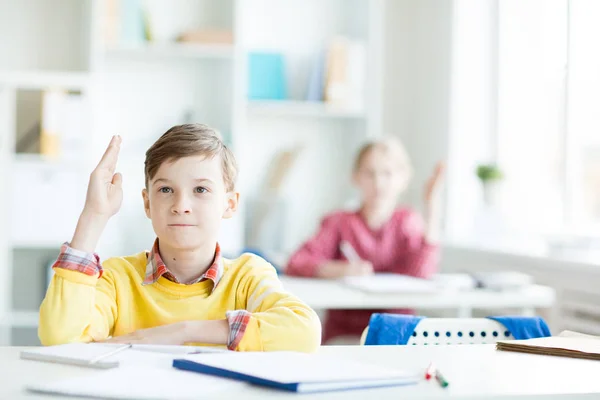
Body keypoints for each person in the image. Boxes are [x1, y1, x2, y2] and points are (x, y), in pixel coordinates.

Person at [39, 124, 321, 352]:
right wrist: (93, 216)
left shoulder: (248, 277)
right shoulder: (117, 278)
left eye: (200, 190)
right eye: (165, 190)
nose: (181, 205)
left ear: (230, 204)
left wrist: (183, 331)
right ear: (147, 204)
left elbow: (304, 330)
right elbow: (62, 339)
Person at [286, 138, 444, 344]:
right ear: (356, 177)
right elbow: (296, 262)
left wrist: (431, 209)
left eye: (388, 173)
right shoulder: (339, 222)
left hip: (397, 335)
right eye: (370, 173)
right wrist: (339, 270)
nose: (378, 183)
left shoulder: (408, 221)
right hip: (345, 336)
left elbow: (421, 273)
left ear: (404, 179)